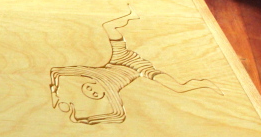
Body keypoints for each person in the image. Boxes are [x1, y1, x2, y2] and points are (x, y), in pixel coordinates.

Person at [50, 8, 221, 125]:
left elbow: (56, 71)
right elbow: (118, 115)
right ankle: (205, 83)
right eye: (94, 95)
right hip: (140, 70)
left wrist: (54, 90)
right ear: (102, 95)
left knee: (108, 26)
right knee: (178, 87)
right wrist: (86, 119)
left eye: (88, 88)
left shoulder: (92, 74)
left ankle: (131, 15)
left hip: (119, 58)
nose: (92, 91)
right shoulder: (111, 91)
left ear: (89, 81)